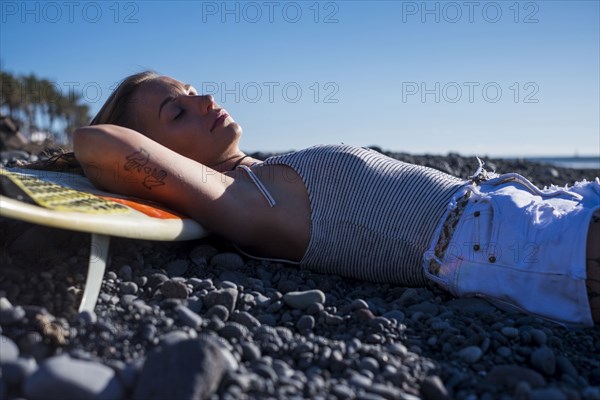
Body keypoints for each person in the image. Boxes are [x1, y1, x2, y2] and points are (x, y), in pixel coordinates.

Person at [66, 71, 599, 327]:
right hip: (527, 249)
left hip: (544, 210)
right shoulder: (240, 201)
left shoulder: (262, 174)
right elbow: (96, 143)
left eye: (187, 90)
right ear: (160, 156)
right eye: (176, 112)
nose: (202, 99)